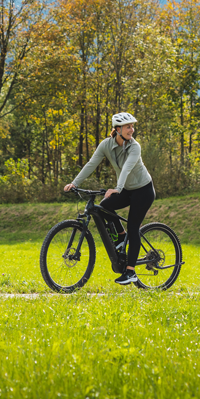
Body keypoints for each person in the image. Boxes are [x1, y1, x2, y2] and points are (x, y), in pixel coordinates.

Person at [63, 112, 155, 286]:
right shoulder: (106, 145)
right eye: (128, 126)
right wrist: (74, 183)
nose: (132, 129)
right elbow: (91, 164)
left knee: (133, 226)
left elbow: (127, 168)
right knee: (104, 207)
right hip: (127, 189)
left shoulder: (135, 147)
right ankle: (121, 238)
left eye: (132, 126)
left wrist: (117, 189)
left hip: (143, 190)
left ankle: (130, 272)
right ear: (118, 129)